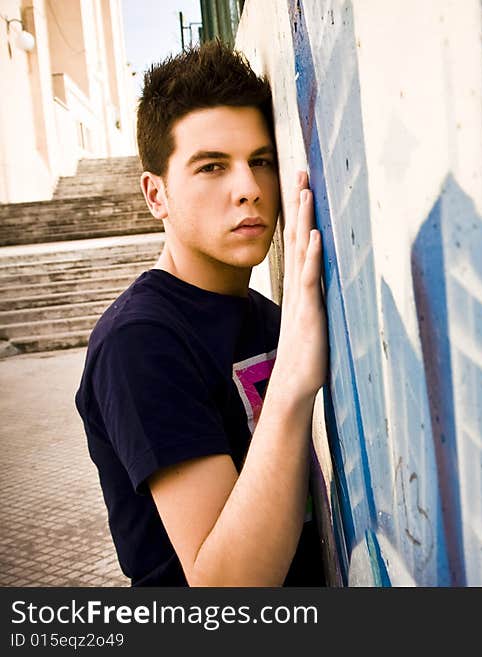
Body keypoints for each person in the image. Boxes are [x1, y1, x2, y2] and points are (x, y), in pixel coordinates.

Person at [74, 40, 328, 586]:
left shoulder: (264, 314)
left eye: (261, 162)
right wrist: (292, 383)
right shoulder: (139, 342)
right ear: (156, 194)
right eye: (212, 166)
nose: (249, 190)